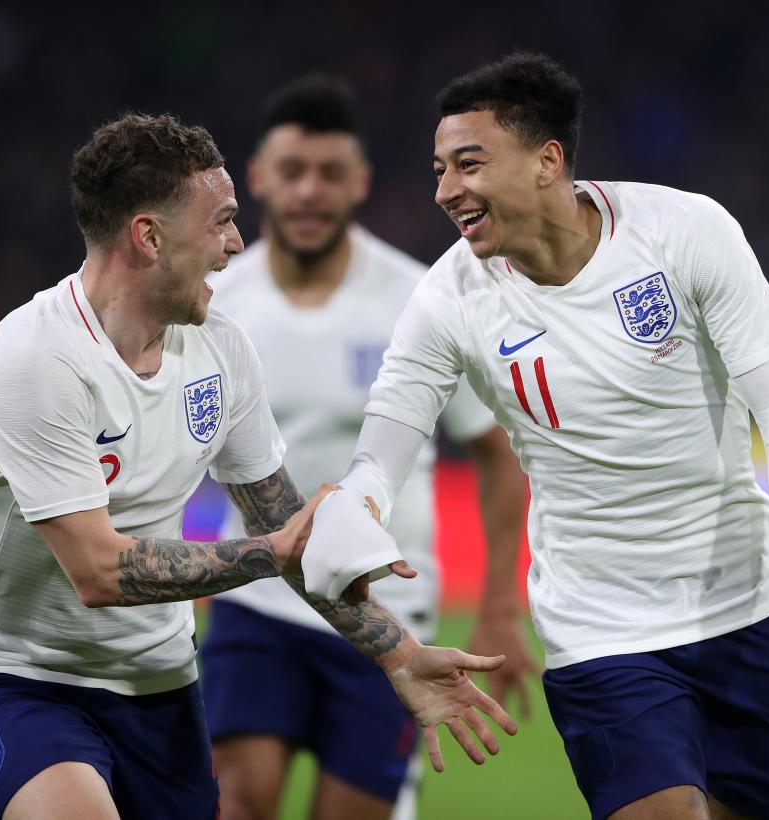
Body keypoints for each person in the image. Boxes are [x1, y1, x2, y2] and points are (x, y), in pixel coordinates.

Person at [306, 53, 769, 820]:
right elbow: (384, 449)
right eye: (438, 170)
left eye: (469, 164)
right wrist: (355, 503)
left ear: (546, 161)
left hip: (745, 606)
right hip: (597, 628)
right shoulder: (449, 298)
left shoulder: (687, 233)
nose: (445, 191)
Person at [0, 113, 515, 820]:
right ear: (149, 236)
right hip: (21, 675)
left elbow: (283, 522)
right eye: (223, 222)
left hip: (160, 682)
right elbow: (98, 571)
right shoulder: (34, 359)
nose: (237, 243)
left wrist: (398, 654)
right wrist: (269, 554)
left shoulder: (222, 350)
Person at [199, 75, 533, 820]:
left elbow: (496, 449)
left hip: (390, 609)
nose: (310, 191)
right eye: (292, 172)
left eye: (330, 173)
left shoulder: (423, 298)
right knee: (233, 802)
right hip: (260, 603)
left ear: (361, 184)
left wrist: (502, 605)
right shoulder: (216, 303)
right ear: (256, 180)